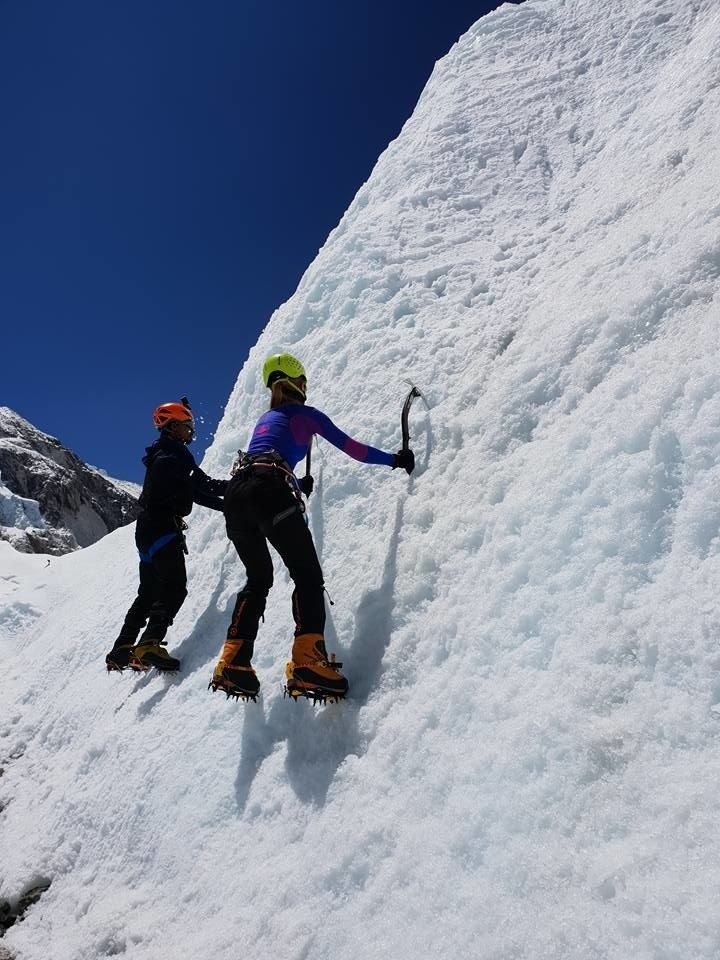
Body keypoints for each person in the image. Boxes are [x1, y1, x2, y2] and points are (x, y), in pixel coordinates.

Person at [209, 353, 415, 702]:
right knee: (306, 576)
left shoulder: (266, 417)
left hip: (237, 495)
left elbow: (270, 455)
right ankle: (308, 660)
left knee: (258, 579)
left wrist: (292, 485)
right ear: (298, 383)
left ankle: (233, 661)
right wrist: (395, 459)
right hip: (268, 490)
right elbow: (353, 448)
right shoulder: (305, 414)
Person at [106, 399, 228, 674]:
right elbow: (203, 485)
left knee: (148, 592)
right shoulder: (176, 455)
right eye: (187, 425)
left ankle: (123, 648)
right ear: (172, 427)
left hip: (146, 530)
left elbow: (194, 492)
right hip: (163, 527)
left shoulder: (161, 456)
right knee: (175, 587)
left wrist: (227, 505)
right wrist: (238, 487)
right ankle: (150, 642)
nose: (191, 431)